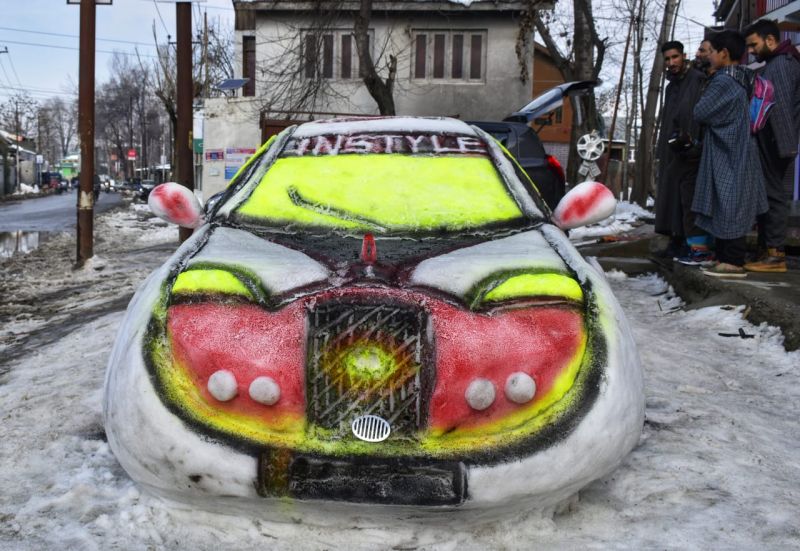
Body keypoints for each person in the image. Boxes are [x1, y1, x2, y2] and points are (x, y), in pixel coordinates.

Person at [693, 30, 768, 278]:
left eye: (711, 52)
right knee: (731, 201)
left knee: (727, 202)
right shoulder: (744, 78)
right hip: (741, 148)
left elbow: (700, 112)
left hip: (728, 150)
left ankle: (733, 261)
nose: (709, 57)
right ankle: (725, 257)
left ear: (724, 54)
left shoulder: (724, 80)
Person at [743, 20, 800, 273]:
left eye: (753, 45)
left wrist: (786, 147)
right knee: (769, 195)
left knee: (776, 196)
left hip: (777, 144)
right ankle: (767, 250)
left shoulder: (783, 65)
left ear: (769, 40)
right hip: (772, 142)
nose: (751, 51)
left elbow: (784, 108)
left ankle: (775, 255)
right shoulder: (776, 64)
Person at [654, 41, 704, 258]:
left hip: (687, 146)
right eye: (667, 59)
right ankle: (674, 238)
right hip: (670, 146)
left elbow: (693, 114)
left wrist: (690, 141)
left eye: (675, 57)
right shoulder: (670, 86)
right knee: (671, 193)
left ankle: (686, 241)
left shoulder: (696, 79)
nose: (671, 62)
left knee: (686, 197)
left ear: (683, 56)